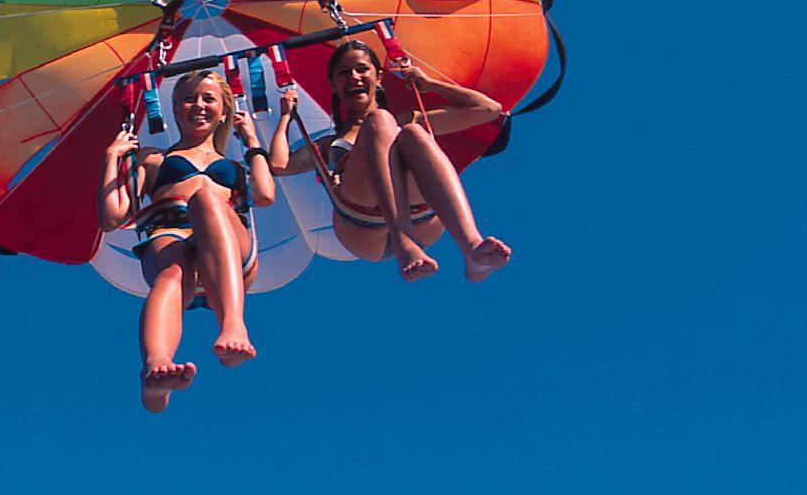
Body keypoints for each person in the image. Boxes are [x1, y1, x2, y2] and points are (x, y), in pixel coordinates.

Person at [98, 71, 276, 413]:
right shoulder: (154, 159)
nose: (199, 105)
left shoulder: (235, 167)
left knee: (206, 199)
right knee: (172, 273)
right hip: (171, 238)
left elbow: (266, 195)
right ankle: (156, 369)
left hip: (227, 251)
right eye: (189, 99)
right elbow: (112, 218)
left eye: (209, 99)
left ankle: (233, 324)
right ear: (176, 108)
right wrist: (111, 158)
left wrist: (251, 140)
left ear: (224, 112)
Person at [268, 39, 512, 283]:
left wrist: (429, 84)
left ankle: (472, 247)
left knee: (412, 131)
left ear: (378, 78)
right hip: (363, 228)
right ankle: (402, 240)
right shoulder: (328, 144)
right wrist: (286, 117)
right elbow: (280, 165)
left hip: (422, 220)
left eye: (362, 69)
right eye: (344, 73)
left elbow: (489, 109)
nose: (354, 77)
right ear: (334, 84)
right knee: (380, 120)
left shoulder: (406, 120)